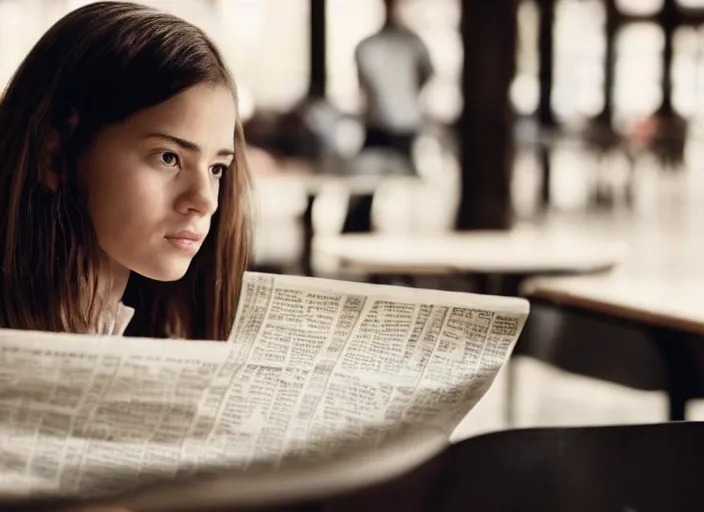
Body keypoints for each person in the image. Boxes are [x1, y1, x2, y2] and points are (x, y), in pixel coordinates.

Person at [0, 1, 252, 341]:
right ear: (56, 156)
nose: (205, 201)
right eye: (168, 157)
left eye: (217, 168)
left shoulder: (156, 327)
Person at [342, 0, 433, 233]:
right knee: (364, 190)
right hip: (382, 126)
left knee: (405, 192)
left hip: (402, 127)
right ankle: (356, 237)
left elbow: (426, 75)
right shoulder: (369, 46)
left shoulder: (412, 44)